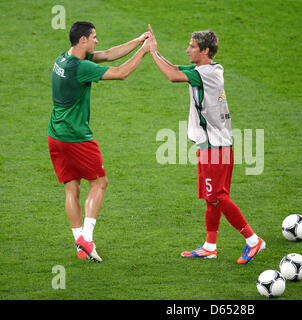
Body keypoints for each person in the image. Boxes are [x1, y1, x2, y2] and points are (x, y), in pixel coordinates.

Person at [146, 25, 265, 264]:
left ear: (205, 50)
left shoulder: (205, 74)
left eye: (192, 46)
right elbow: (175, 68)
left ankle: (253, 241)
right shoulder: (206, 68)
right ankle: (210, 246)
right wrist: (155, 51)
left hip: (215, 148)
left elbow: (171, 76)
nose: (187, 49)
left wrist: (150, 53)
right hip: (214, 145)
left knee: (219, 197)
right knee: (212, 197)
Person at [47, 21, 150, 262]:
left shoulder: (63, 58)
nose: (97, 40)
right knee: (99, 183)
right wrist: (144, 52)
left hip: (55, 135)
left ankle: (79, 244)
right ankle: (88, 238)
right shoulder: (81, 67)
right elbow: (121, 73)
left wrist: (138, 40)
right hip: (76, 137)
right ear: (83, 39)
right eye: (93, 37)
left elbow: (106, 55)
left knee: (72, 188)